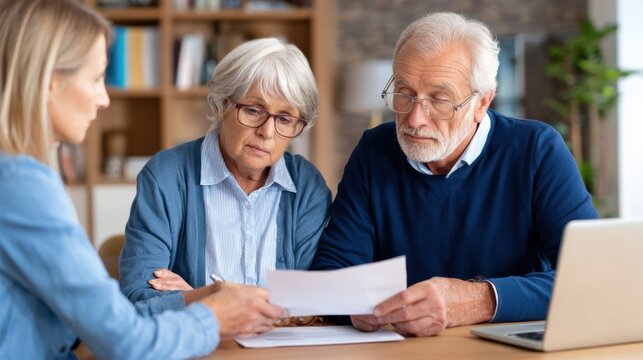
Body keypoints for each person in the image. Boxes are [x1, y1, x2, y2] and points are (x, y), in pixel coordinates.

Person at [0, 1, 283, 358]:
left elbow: (106, 322)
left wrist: (200, 297)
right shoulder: (20, 186)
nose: (104, 99)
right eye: (96, 78)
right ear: (50, 82)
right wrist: (213, 317)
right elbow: (128, 343)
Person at [310, 12, 598, 337]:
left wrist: (478, 300)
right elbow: (333, 273)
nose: (416, 118)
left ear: (482, 103)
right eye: (404, 93)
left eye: (440, 99)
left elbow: (590, 274)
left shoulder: (536, 150)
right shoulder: (374, 152)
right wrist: (355, 306)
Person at [118, 37, 331, 314]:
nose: (267, 132)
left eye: (284, 119)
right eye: (254, 111)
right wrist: (219, 299)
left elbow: (311, 302)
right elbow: (138, 296)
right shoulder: (166, 177)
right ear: (220, 105)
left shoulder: (307, 187)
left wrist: (199, 297)